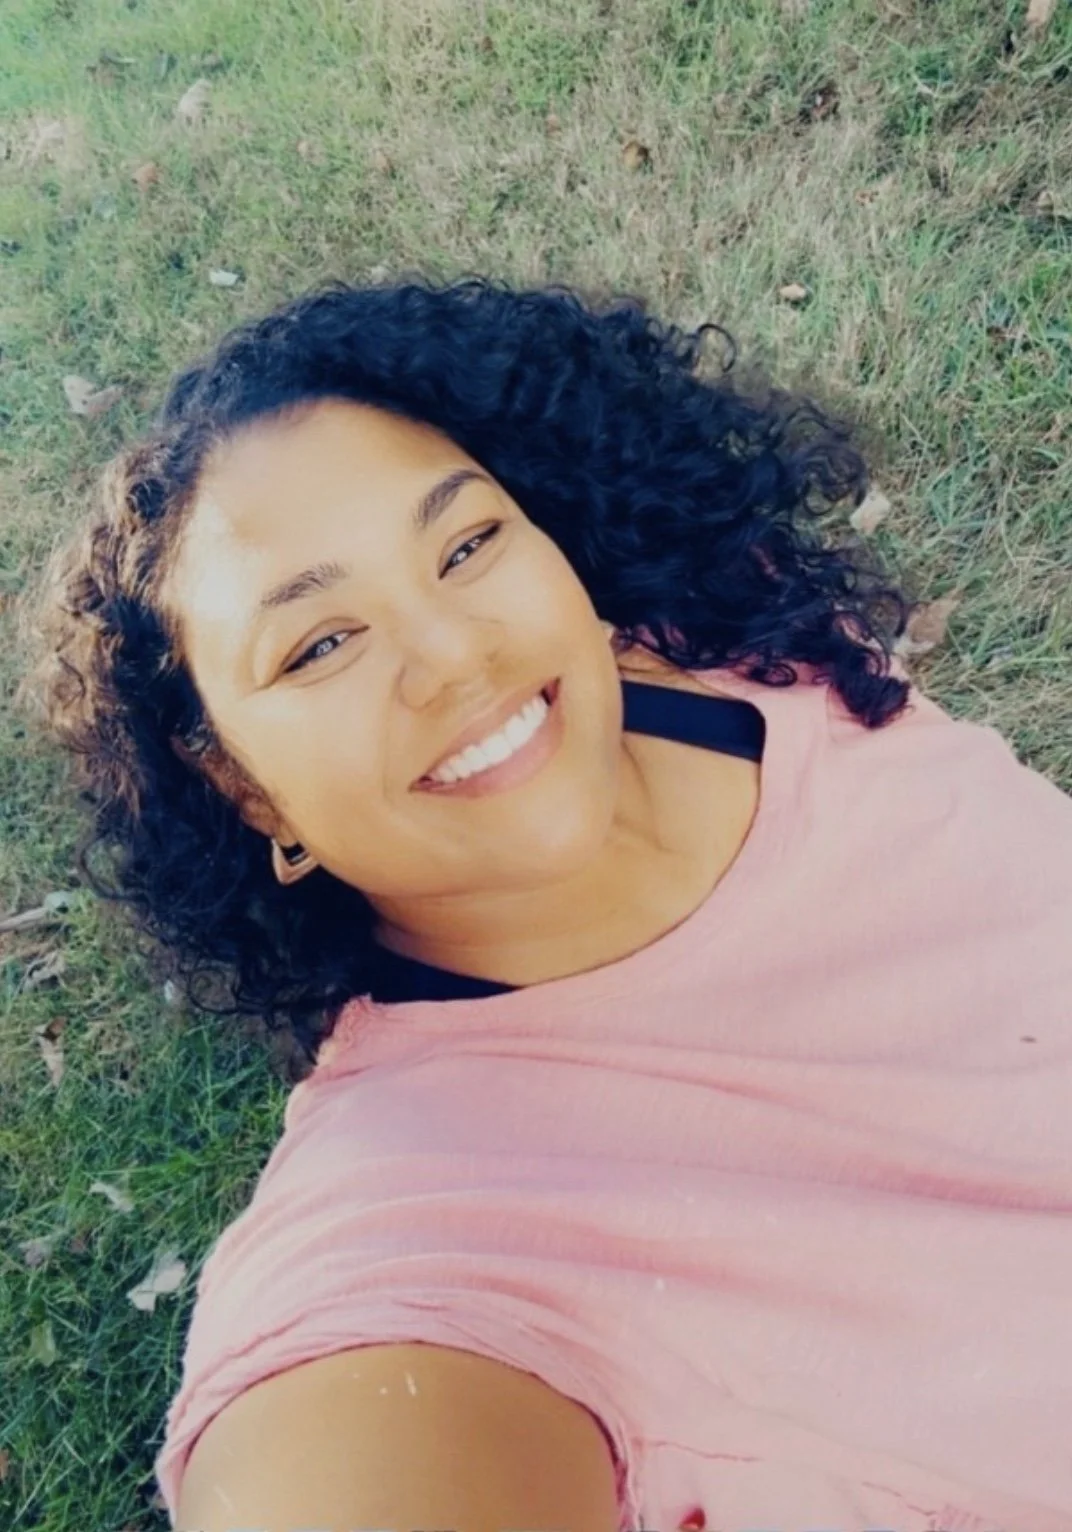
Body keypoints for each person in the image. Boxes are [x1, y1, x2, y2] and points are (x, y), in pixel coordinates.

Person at [20, 274, 1072, 1532]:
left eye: (466, 544)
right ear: (243, 788)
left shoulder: (726, 647)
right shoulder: (421, 1245)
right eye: (320, 644)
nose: (458, 652)